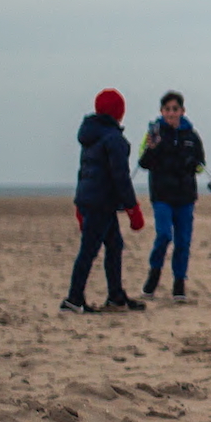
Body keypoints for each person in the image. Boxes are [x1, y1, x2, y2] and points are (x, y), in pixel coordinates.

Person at [65, 89, 146, 314]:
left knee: (114, 246)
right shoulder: (113, 139)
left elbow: (84, 172)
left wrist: (79, 203)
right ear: (118, 112)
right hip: (100, 202)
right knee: (89, 250)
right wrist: (133, 209)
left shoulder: (91, 137)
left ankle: (116, 296)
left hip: (93, 201)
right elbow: (121, 177)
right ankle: (73, 299)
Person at [137, 89, 208, 300]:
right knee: (164, 235)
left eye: (175, 109)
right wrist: (152, 148)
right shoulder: (154, 134)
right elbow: (143, 163)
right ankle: (154, 274)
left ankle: (179, 283)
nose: (171, 113)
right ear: (161, 111)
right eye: (167, 109)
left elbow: (201, 165)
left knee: (183, 242)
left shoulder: (191, 136)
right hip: (162, 196)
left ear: (182, 111)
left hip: (185, 196)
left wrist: (193, 164)